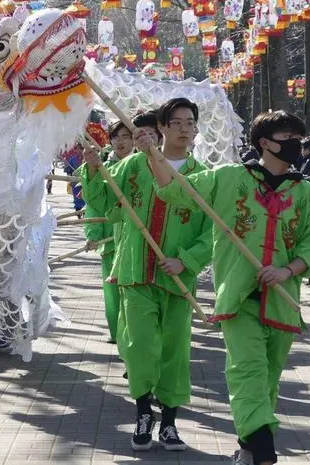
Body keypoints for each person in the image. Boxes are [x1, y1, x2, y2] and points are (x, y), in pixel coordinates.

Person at [146, 110, 310, 465]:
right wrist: (152, 153)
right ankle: (262, 448)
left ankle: (247, 446)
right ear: (264, 143)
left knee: (269, 377)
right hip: (239, 297)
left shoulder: (305, 191)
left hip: (282, 298)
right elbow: (174, 191)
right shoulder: (228, 178)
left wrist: (286, 270)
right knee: (246, 369)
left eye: (296, 139)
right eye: (286, 138)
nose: (294, 145)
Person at [82, 98, 211, 452]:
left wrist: (186, 260)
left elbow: (212, 231)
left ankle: (169, 421)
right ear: (163, 127)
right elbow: (105, 203)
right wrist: (95, 169)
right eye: (178, 122)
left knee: (175, 349)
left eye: (191, 123)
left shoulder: (203, 175)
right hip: (136, 271)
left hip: (177, 279)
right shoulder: (134, 166)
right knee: (139, 346)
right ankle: (143, 412)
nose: (185, 129)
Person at [76, 121, 134, 344]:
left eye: (126, 136)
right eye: (116, 137)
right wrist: (93, 235)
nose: (121, 141)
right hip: (111, 240)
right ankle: (117, 334)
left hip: (136, 238)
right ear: (110, 141)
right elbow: (94, 204)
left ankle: (131, 335)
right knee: (112, 291)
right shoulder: (102, 168)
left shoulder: (145, 167)